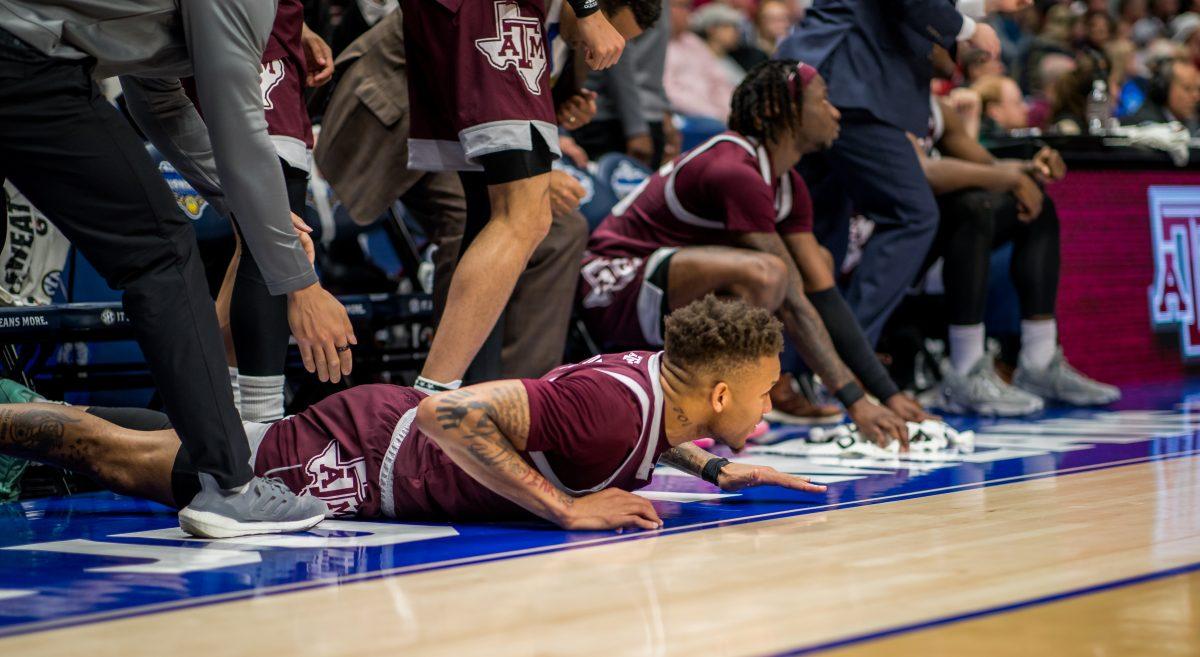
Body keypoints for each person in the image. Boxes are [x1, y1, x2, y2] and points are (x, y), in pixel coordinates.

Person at [0, 297, 828, 532]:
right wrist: (568, 508)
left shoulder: (655, 385)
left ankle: (28, 408)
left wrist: (715, 464)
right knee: (144, 466)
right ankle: (11, 415)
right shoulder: (612, 408)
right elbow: (453, 418)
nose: (772, 403)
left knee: (219, 444)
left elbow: (642, 432)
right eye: (764, 393)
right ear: (720, 395)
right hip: (367, 451)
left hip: (375, 433)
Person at [0, 0, 352, 537]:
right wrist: (301, 284)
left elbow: (156, 97)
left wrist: (250, 212)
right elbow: (237, 125)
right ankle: (230, 487)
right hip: (23, 58)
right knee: (161, 251)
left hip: (24, 54)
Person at [579, 61, 930, 444]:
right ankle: (693, 408)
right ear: (776, 110)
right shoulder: (734, 169)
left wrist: (886, 393)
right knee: (766, 274)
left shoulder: (787, 184)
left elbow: (822, 294)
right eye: (823, 100)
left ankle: (759, 392)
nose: (835, 112)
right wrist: (856, 402)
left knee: (815, 265)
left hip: (660, 291)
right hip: (610, 285)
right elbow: (792, 300)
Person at [315, 9, 589, 380]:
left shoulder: (569, 32)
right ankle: (447, 382)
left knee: (563, 230)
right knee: (479, 219)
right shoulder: (512, 11)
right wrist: (531, 172)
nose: (601, 54)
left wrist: (563, 116)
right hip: (403, 121)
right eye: (607, 39)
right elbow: (471, 88)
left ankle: (521, 393)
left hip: (474, 132)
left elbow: (524, 94)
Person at [398, 0, 649, 392]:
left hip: (452, 39)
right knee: (525, 216)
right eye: (611, 31)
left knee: (491, 216)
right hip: (409, 99)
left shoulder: (559, 36)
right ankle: (433, 397)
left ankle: (480, 391)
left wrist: (561, 112)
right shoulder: (570, 15)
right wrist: (588, 11)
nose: (606, 49)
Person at [776, 0, 1003, 348]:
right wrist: (972, 27)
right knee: (912, 213)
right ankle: (849, 356)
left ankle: (798, 368)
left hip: (828, 73)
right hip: (848, 77)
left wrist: (977, 11)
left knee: (821, 227)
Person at [913, 89, 1120, 415]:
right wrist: (1009, 178)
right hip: (879, 242)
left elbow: (987, 164)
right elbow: (923, 172)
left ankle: (1039, 363)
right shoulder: (887, 98)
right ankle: (965, 371)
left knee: (1036, 205)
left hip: (927, 240)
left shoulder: (934, 108)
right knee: (973, 208)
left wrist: (1029, 169)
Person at [575, 0, 677, 168]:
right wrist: (636, 129)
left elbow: (653, 63)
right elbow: (619, 58)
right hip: (612, 117)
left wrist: (663, 109)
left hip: (645, 113)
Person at [664, 0, 737, 122]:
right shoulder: (659, 47)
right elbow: (668, 92)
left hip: (716, 117)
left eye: (688, 7)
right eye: (682, 7)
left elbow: (718, 81)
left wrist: (730, 113)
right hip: (686, 119)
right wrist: (713, 114)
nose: (688, 13)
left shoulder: (694, 42)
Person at [1122, 57, 1200, 132]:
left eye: (1198, 89)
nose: (1196, 97)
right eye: (1187, 88)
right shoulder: (1146, 126)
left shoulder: (1191, 122)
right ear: (1164, 88)